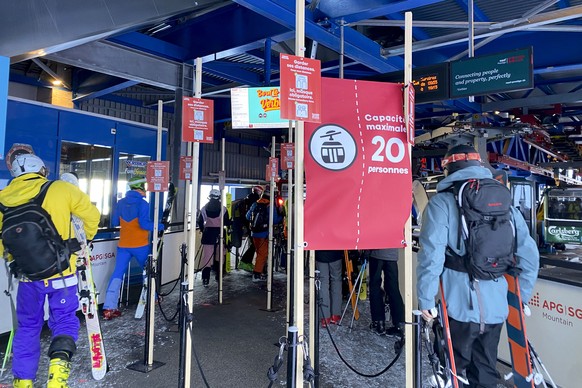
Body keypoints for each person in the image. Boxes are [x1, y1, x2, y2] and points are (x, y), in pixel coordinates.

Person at [416, 144, 539, 388]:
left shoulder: (441, 203)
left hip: (458, 306)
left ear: (448, 169)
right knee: (485, 371)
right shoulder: (505, 202)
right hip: (496, 306)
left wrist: (426, 300)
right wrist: (519, 297)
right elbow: (529, 255)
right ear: (479, 166)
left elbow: (431, 256)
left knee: (453, 373)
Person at [0, 153, 100, 388]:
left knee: (27, 327)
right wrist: (79, 246)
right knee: (64, 321)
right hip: (61, 274)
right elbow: (92, 216)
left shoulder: (2, 198)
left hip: (27, 278)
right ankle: (57, 378)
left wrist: (23, 258)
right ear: (42, 170)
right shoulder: (61, 189)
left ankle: (23, 382)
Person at [102, 176, 163, 320]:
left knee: (117, 274)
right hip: (140, 245)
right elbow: (144, 224)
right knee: (148, 272)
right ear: (140, 187)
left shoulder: (120, 202)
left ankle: (109, 307)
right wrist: (159, 225)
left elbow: (114, 220)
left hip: (123, 245)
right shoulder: (143, 203)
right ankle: (152, 298)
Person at [245, 186, 283, 281]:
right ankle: (256, 275)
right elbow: (274, 220)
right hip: (264, 234)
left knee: (259, 254)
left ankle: (260, 272)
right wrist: (282, 216)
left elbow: (247, 216)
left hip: (254, 233)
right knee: (262, 255)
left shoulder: (255, 204)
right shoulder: (270, 206)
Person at [196, 189, 232, 287]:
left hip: (208, 234)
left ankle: (205, 279)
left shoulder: (204, 208)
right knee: (220, 256)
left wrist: (204, 230)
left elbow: (200, 221)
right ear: (219, 197)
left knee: (206, 257)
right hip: (220, 234)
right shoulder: (223, 209)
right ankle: (219, 276)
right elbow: (227, 222)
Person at [365, 248, 404, 337]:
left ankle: (379, 324)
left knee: (375, 287)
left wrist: (366, 251)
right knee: (393, 288)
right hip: (392, 255)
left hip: (376, 253)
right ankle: (399, 325)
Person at [315, 250, 344, 327]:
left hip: (320, 253)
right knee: (336, 281)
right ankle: (335, 315)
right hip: (336, 252)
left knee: (323, 283)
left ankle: (325, 317)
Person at [239, 185, 264, 269]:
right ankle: (245, 262)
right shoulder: (255, 199)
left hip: (248, 224)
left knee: (253, 244)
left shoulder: (248, 198)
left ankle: (246, 262)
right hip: (253, 226)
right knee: (254, 245)